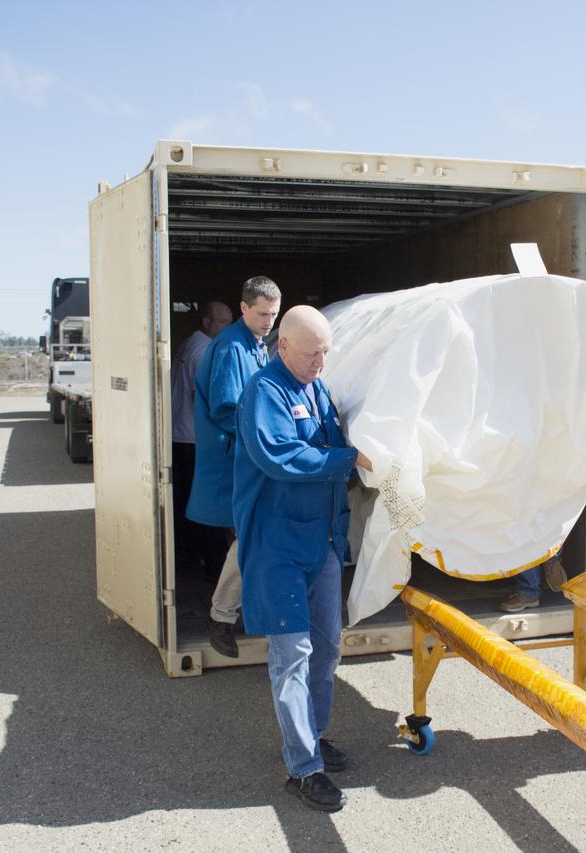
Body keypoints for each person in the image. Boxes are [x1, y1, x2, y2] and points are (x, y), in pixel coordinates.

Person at [233, 305, 371, 813]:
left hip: (323, 543)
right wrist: (349, 459)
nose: (321, 360)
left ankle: (313, 734)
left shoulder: (317, 389)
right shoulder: (263, 393)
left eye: (326, 351)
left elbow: (340, 441)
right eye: (311, 352)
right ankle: (302, 767)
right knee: (291, 657)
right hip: (279, 549)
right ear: (283, 346)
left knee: (329, 647)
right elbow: (283, 457)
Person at [187, 277, 282, 658]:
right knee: (253, 537)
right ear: (243, 308)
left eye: (274, 315)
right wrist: (269, 441)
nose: (268, 322)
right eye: (261, 314)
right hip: (236, 461)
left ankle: (236, 615)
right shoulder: (231, 348)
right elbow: (227, 409)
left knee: (251, 539)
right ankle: (222, 617)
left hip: (246, 459)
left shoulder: (256, 345)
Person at [171, 301, 232, 578]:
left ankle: (189, 552)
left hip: (180, 435)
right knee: (207, 505)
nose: (227, 329)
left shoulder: (188, 344)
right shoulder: (206, 350)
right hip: (195, 439)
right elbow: (203, 398)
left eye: (229, 322)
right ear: (207, 323)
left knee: (184, 500)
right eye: (222, 323)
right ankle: (211, 563)